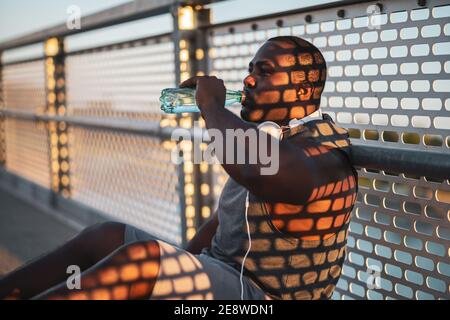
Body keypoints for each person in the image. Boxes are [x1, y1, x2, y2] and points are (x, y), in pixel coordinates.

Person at [0, 36, 358, 300]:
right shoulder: (270, 135)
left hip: (258, 299)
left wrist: (213, 107)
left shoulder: (322, 151)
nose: (248, 80)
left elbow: (257, 169)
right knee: (107, 236)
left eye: (264, 72)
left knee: (141, 260)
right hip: (222, 277)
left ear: (304, 88)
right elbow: (219, 223)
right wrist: (171, 271)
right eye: (250, 70)